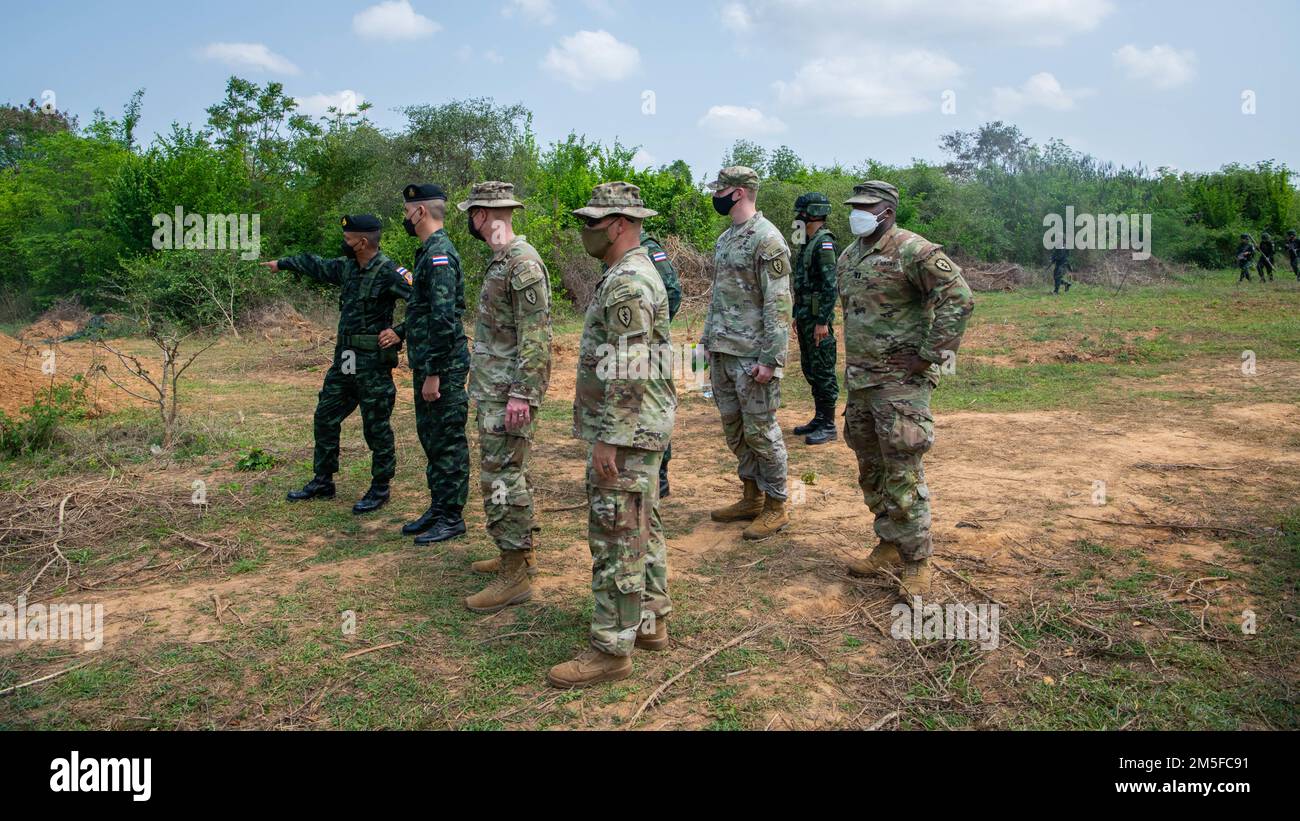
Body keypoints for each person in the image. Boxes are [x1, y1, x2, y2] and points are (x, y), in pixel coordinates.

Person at [547, 182, 676, 689]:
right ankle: (649, 619)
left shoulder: (628, 283)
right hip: (641, 426)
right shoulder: (628, 274)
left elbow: (629, 365)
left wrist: (611, 438)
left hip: (628, 429)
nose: (585, 231)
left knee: (616, 534)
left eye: (592, 223)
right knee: (642, 522)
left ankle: (611, 648)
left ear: (619, 224)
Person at [837, 182, 974, 599]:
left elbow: (959, 298)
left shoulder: (915, 251)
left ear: (888, 212)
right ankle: (890, 543)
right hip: (861, 382)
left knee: (903, 469)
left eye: (867, 207)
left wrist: (930, 355)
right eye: (854, 206)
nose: (858, 213)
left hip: (900, 386)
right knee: (871, 467)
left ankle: (917, 561)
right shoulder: (850, 255)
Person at [263, 215, 409, 515]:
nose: (344, 244)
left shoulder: (389, 272)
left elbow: (426, 302)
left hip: (372, 363)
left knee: (375, 424)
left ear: (363, 242)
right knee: (326, 415)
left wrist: (399, 332)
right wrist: (283, 263)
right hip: (345, 360)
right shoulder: (346, 268)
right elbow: (314, 264)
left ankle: (380, 486)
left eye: (347, 239)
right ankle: (323, 480)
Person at [457, 182, 553, 613]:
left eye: (471, 213)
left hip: (507, 394)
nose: (470, 222)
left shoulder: (522, 264)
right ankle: (518, 553)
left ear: (482, 215)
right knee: (511, 473)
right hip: (494, 389)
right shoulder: (502, 260)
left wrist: (522, 395)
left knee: (500, 479)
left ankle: (513, 576)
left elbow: (537, 338)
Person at [700, 166, 794, 541]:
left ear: (738, 193)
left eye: (721, 190)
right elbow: (719, 296)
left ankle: (776, 504)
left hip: (752, 356)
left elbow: (779, 303)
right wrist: (708, 341)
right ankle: (751, 495)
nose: (716, 196)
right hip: (724, 350)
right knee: (735, 430)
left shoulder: (767, 239)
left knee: (761, 431)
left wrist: (771, 359)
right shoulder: (726, 239)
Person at [394, 184, 470, 544]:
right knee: (432, 438)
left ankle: (452, 516)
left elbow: (444, 320)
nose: (406, 219)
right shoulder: (428, 253)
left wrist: (434, 374)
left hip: (442, 369)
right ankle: (439, 506)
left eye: (408, 212)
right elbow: (424, 314)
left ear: (420, 212)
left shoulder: (440, 255)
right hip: (429, 365)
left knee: (447, 440)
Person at [790, 192, 840, 446]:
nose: (797, 216)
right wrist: (796, 314)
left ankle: (829, 424)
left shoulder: (824, 243)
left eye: (801, 212)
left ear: (812, 212)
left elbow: (830, 286)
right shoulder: (807, 242)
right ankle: (820, 417)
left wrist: (822, 321)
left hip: (818, 318)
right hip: (805, 315)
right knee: (810, 368)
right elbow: (802, 283)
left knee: (823, 370)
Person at [641, 231, 682, 497]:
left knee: (654, 406)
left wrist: (654, 325)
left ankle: (661, 475)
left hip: (651, 347)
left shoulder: (648, 248)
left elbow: (673, 290)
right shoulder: (617, 252)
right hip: (625, 348)